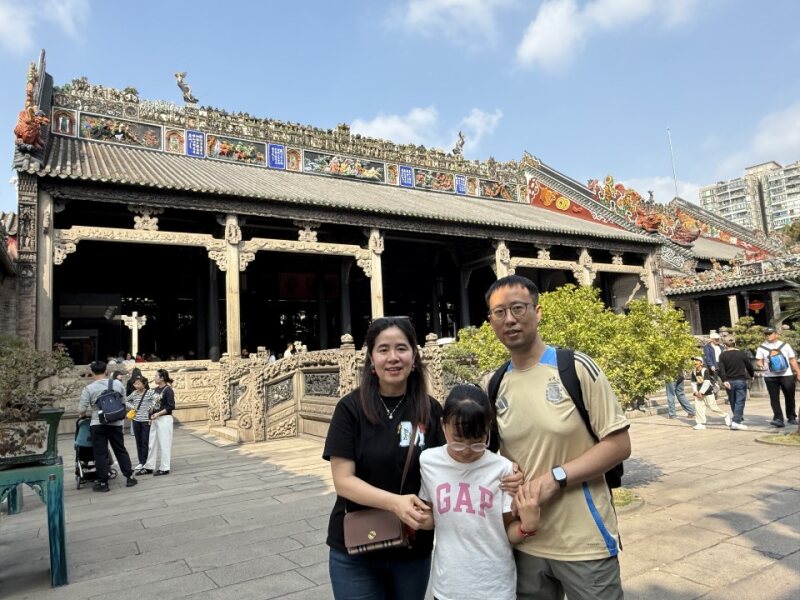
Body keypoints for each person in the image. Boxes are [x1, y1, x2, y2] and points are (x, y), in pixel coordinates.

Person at [485, 275, 630, 600]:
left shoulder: (575, 368)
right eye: (499, 313)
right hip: (525, 539)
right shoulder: (494, 384)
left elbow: (619, 444)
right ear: (490, 322)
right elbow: (493, 456)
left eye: (518, 308)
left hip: (584, 542)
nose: (509, 319)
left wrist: (557, 477)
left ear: (537, 312)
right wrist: (506, 473)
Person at [323, 317, 465, 599]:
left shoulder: (430, 410)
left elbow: (450, 473)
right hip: (356, 548)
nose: (393, 358)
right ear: (371, 359)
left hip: (412, 547)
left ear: (414, 356)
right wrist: (395, 503)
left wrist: (435, 515)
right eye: (383, 349)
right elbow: (344, 481)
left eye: (401, 348)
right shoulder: (350, 409)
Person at [419, 384, 540, 600]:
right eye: (457, 442)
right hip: (448, 587)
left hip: (495, 588)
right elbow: (431, 516)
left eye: (477, 444)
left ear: (488, 429)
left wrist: (527, 527)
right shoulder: (428, 462)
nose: (466, 451)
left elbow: (508, 533)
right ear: (443, 425)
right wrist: (416, 516)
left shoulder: (502, 470)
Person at [77, 360, 138, 492]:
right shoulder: (117, 383)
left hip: (97, 423)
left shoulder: (89, 388)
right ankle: (130, 477)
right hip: (115, 423)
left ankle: (103, 483)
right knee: (120, 449)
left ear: (91, 372)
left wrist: (83, 415)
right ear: (106, 371)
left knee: (100, 453)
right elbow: (123, 401)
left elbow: (81, 409)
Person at [755, 327, 799, 427]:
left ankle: (791, 416)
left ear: (776, 334)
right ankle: (778, 418)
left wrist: (798, 372)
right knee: (774, 398)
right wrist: (760, 364)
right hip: (770, 376)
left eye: (770, 334)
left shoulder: (785, 345)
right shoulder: (761, 347)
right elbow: (759, 360)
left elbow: (792, 360)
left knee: (790, 396)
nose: (768, 336)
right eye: (766, 334)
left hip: (786, 375)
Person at [138, 368, 175, 476]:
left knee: (165, 443)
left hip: (164, 419)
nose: (154, 378)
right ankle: (149, 466)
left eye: (156, 376)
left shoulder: (168, 390)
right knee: (152, 443)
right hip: (154, 419)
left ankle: (164, 467)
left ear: (162, 378)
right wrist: (150, 416)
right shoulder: (155, 390)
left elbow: (171, 406)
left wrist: (158, 414)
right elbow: (153, 405)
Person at [719, 338, 755, 430]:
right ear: (735, 345)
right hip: (740, 380)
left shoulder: (722, 355)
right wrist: (752, 375)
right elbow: (749, 365)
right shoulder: (741, 354)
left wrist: (724, 380)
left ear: (725, 346)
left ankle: (737, 418)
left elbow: (721, 369)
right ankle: (736, 421)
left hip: (729, 381)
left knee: (732, 400)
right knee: (740, 400)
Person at [690, 356, 732, 430]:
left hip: (707, 392)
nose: (695, 362)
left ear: (701, 363)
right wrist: (695, 391)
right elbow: (693, 382)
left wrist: (701, 392)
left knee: (713, 407)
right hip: (698, 392)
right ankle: (701, 423)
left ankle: (725, 415)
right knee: (698, 408)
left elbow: (707, 382)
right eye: (694, 360)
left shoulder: (705, 370)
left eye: (697, 360)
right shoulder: (693, 371)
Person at [126, 374, 155, 470]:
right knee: (138, 441)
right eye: (134, 384)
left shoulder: (150, 393)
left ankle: (146, 461)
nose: (136, 385)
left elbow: (158, 401)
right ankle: (141, 462)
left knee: (145, 441)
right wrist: (132, 406)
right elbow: (125, 400)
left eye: (138, 384)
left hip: (146, 421)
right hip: (136, 421)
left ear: (144, 384)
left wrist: (152, 408)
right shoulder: (134, 393)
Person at [703, 332, 723, 399]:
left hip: (721, 364)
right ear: (712, 339)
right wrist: (711, 365)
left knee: (724, 379)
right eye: (716, 339)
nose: (717, 340)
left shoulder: (721, 347)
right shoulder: (707, 347)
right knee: (715, 380)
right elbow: (707, 357)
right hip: (714, 364)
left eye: (718, 339)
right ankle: (715, 395)